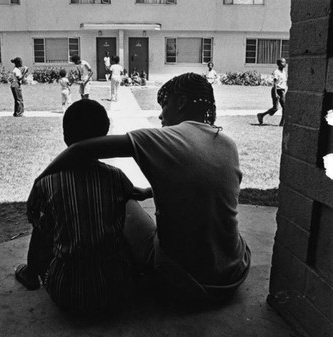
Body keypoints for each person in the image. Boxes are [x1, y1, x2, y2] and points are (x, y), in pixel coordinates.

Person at [35, 73, 252, 305]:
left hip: (183, 284)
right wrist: (152, 190)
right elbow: (203, 190)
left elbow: (80, 150)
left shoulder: (160, 138)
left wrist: (40, 182)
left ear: (180, 102)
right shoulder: (228, 144)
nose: (160, 114)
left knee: (127, 203)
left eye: (165, 104)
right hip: (232, 274)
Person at [15, 99, 136, 314]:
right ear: (104, 137)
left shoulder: (47, 182)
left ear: (65, 137)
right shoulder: (116, 177)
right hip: (118, 290)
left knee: (43, 228)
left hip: (67, 293)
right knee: (126, 212)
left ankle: (31, 273)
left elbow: (42, 229)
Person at [257, 58, 287, 126]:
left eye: (285, 62)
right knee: (275, 108)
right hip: (276, 90)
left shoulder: (284, 72)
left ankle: (282, 123)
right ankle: (261, 115)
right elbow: (275, 83)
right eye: (283, 62)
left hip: (282, 91)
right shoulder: (276, 72)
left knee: (285, 108)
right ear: (278, 64)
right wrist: (276, 93)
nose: (284, 64)